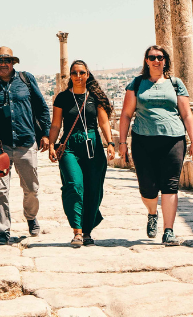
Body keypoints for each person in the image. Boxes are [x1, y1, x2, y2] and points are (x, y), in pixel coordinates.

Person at [117, 45, 193, 246]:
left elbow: (186, 114)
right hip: (142, 139)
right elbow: (126, 115)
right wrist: (122, 142)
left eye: (160, 57)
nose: (156, 60)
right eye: (152, 57)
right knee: (148, 187)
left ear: (165, 60)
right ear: (146, 60)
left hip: (173, 139)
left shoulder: (175, 83)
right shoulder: (137, 84)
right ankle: (152, 213)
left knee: (170, 186)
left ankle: (168, 230)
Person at [0, 46, 50, 245]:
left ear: (13, 63)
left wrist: (45, 134)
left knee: (32, 188)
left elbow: (41, 107)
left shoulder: (26, 80)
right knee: (0, 190)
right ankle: (3, 231)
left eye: (7, 61)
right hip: (0, 147)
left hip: (26, 142)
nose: (3, 64)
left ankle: (30, 216)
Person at [48, 60, 116, 247]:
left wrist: (110, 143)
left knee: (94, 189)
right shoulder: (62, 98)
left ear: (87, 75)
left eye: (82, 73)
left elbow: (103, 123)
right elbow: (56, 124)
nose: (78, 76)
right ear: (70, 76)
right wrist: (52, 144)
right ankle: (77, 231)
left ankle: (87, 231)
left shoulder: (95, 96)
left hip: (93, 144)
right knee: (74, 184)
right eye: (74, 73)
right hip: (70, 145)